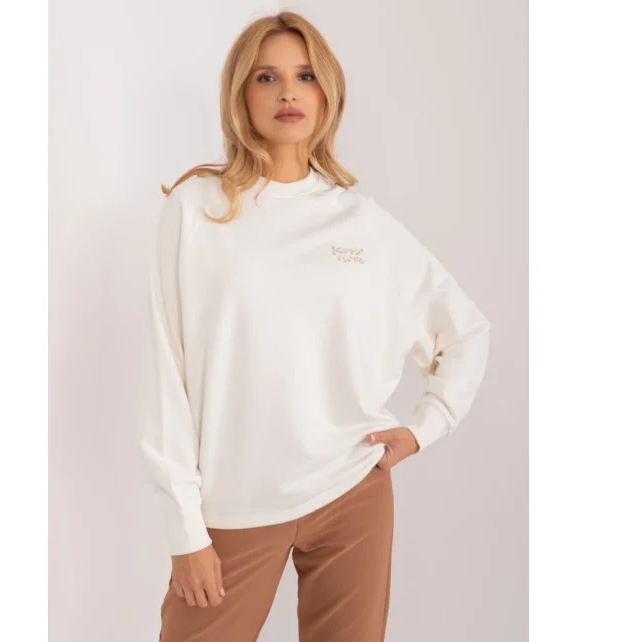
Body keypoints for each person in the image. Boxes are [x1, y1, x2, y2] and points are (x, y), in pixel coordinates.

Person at [138, 11, 491, 642]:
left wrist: (426, 426)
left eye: (305, 76)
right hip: (235, 504)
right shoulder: (197, 209)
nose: (288, 93)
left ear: (328, 93)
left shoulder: (362, 222)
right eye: (266, 76)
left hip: (352, 490)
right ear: (240, 94)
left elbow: (464, 331)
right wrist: (186, 530)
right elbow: (167, 371)